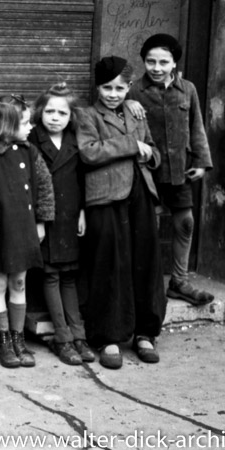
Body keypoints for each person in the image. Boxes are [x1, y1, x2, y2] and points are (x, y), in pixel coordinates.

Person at [76, 56, 166, 369]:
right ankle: (108, 336)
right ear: (97, 87)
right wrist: (131, 145)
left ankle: (145, 333)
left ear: (129, 87)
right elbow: (88, 152)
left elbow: (152, 150)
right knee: (109, 264)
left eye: (120, 87)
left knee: (145, 261)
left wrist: (149, 154)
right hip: (106, 197)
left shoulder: (135, 111)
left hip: (140, 193)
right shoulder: (86, 116)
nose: (113, 93)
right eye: (107, 87)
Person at [128, 33, 215, 307]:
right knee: (148, 227)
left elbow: (196, 127)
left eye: (163, 62)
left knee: (185, 223)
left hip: (180, 170)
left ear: (174, 63)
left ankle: (178, 282)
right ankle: (147, 284)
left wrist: (201, 162)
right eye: (150, 61)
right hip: (146, 172)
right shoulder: (132, 91)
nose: (156, 67)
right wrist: (126, 102)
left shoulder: (187, 89)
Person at [0, 95, 55, 368]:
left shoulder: (30, 151)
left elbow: (44, 186)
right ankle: (3, 340)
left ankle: (19, 338)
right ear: (6, 127)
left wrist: (41, 222)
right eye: (25, 123)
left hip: (23, 230)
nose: (31, 127)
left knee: (19, 282)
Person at [29, 84, 95, 366]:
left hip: (69, 216)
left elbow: (82, 180)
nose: (55, 117)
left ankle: (78, 335)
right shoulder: (32, 141)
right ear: (40, 113)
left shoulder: (75, 139)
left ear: (71, 116)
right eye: (50, 111)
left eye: (62, 112)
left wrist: (82, 211)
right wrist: (38, 221)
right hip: (47, 218)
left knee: (69, 275)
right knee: (51, 275)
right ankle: (63, 337)